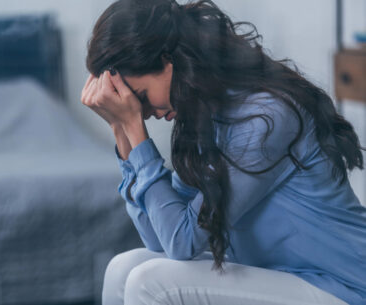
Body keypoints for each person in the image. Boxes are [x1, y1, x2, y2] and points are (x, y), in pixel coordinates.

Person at [80, 0, 366, 304]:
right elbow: (160, 238)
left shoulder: (265, 119)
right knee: (123, 268)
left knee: (149, 282)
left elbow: (182, 242)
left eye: (140, 98)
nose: (144, 113)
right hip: (283, 276)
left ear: (169, 62)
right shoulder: (207, 114)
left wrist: (134, 131)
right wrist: (121, 132)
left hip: (344, 286)